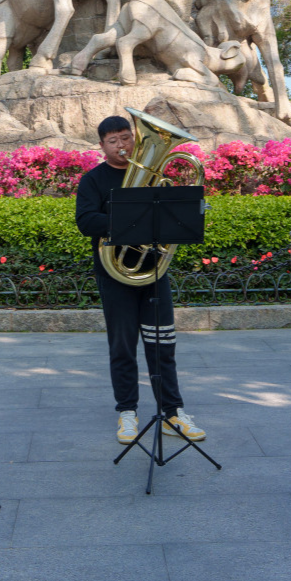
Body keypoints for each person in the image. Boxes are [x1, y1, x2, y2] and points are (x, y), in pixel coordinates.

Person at [75, 115, 205, 446]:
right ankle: (127, 412)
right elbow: (86, 221)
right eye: (113, 141)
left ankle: (172, 412)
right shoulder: (93, 181)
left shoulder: (157, 178)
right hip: (115, 274)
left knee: (163, 344)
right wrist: (130, 218)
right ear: (102, 146)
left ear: (135, 139)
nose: (121, 145)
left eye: (125, 138)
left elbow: (174, 216)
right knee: (122, 346)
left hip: (153, 271)